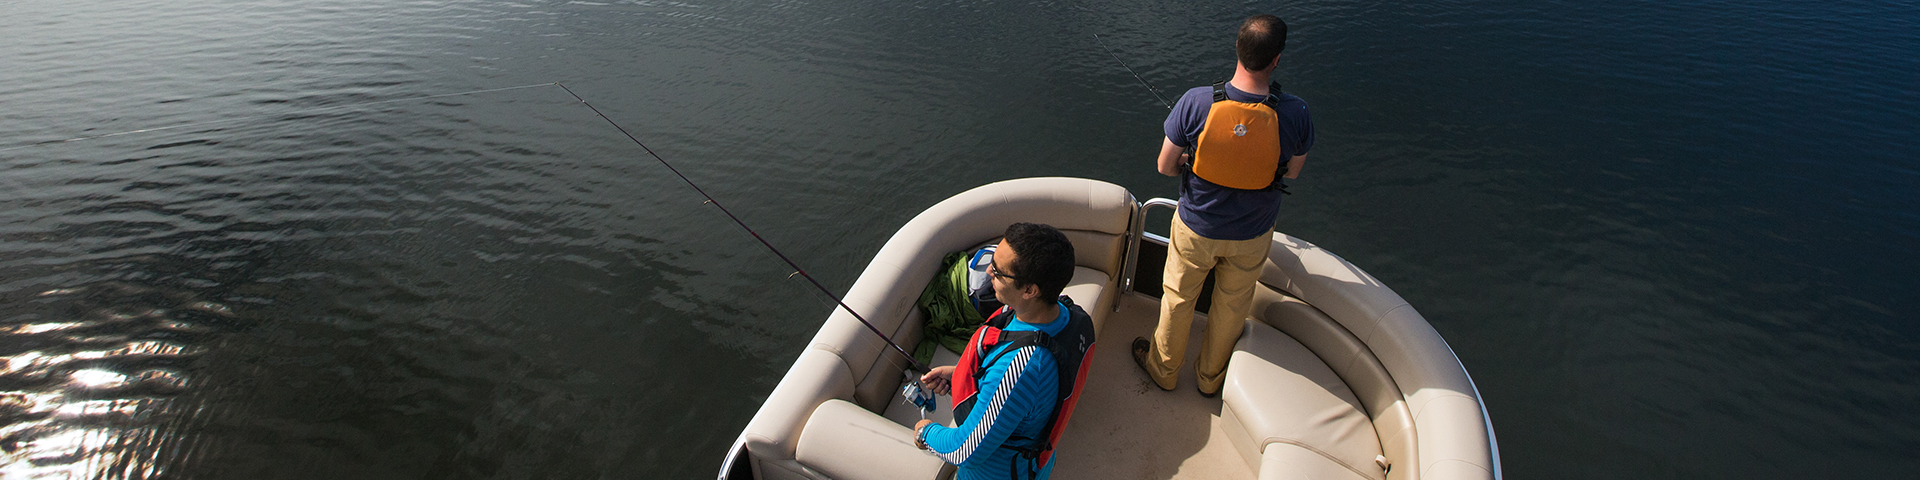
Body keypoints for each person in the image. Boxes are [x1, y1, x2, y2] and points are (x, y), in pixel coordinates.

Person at [1133, 14, 1314, 397]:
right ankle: (1210, 380)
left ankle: (1164, 371)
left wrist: (1193, 161)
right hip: (1252, 233)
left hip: (1197, 227)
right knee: (1231, 308)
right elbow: (1292, 172)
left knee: (1179, 300)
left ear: (1237, 48)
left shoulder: (1197, 101)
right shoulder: (1295, 112)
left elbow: (1165, 166)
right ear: (1276, 59)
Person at [915, 223, 1096, 480]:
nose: (988, 270)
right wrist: (960, 375)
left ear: (1030, 290)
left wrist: (926, 433)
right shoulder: (1068, 315)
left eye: (999, 272)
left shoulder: (1021, 368)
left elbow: (966, 450)